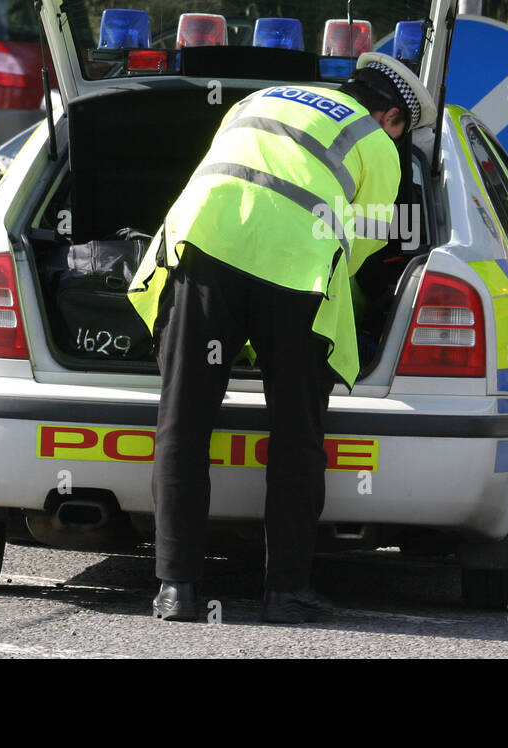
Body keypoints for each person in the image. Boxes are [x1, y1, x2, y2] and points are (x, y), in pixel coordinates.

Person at [128, 52, 435, 622]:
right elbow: (363, 245)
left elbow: (224, 171)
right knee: (297, 436)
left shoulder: (260, 99)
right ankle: (285, 592)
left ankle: (177, 589)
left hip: (201, 250)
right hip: (296, 276)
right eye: (402, 131)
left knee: (182, 424)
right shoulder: (376, 145)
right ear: (392, 116)